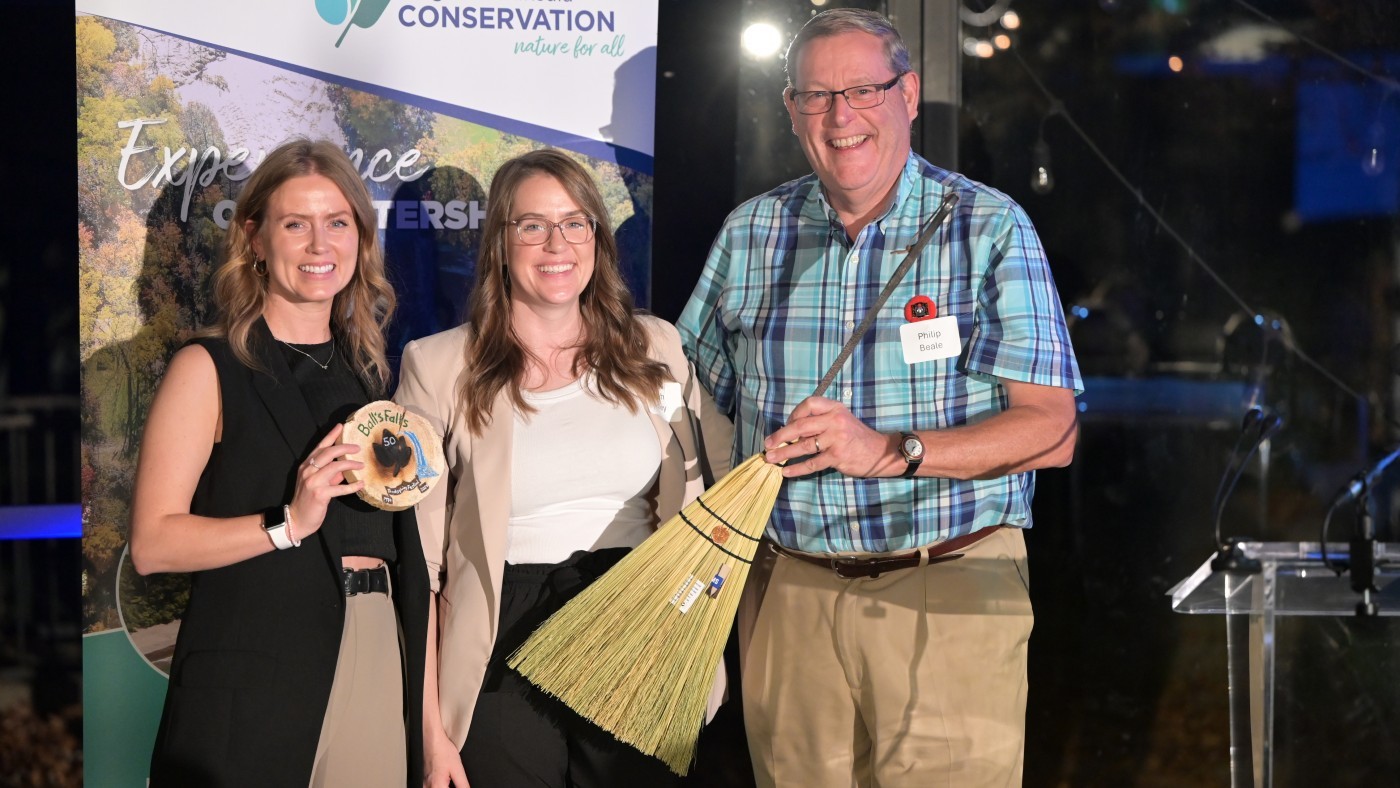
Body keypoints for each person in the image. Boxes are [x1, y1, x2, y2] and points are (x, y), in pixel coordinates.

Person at [677, 9, 1082, 788]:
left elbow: (1053, 430)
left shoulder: (988, 228)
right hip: (788, 594)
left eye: (863, 90)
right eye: (818, 96)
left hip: (950, 585)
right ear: (791, 110)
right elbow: (693, 409)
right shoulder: (751, 234)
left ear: (909, 93)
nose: (841, 117)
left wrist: (892, 453)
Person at [394, 148, 731, 788]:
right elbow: (423, 567)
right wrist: (432, 736)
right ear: (500, 241)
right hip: (502, 632)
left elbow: (725, 475)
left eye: (576, 223)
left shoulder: (656, 345)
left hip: (640, 623)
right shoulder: (437, 366)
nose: (557, 243)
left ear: (598, 241)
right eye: (533, 225)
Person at [130, 139, 429, 788]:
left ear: (361, 239)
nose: (320, 245)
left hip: (377, 654)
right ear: (254, 239)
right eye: (296, 224)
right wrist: (286, 523)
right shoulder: (206, 369)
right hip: (255, 680)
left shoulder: (370, 377)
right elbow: (153, 544)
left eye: (338, 223)